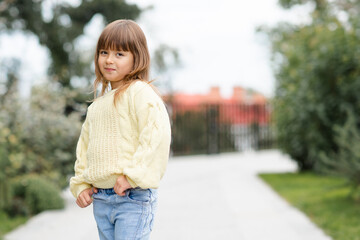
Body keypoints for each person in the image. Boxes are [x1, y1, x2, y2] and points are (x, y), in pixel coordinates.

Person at [69, 19, 172, 240]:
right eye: (104, 52)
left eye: (119, 54)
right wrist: (82, 185)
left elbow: (155, 136)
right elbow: (85, 150)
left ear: (137, 57)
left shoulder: (140, 92)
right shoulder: (96, 107)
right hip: (102, 201)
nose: (108, 60)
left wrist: (133, 177)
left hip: (132, 197)